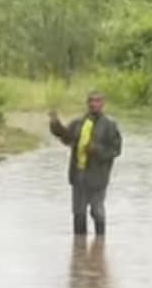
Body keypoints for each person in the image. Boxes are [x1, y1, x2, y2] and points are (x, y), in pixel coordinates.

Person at [48, 91, 123, 236]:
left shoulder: (110, 125)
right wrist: (55, 124)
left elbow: (115, 150)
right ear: (87, 104)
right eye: (91, 101)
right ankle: (79, 245)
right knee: (78, 213)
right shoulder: (78, 123)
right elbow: (66, 137)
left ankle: (100, 243)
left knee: (97, 211)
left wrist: (96, 149)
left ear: (103, 104)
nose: (94, 104)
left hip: (98, 176)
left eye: (97, 101)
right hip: (78, 175)